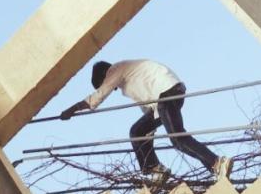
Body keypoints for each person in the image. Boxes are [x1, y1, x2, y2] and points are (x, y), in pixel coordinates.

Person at [60, 59, 232, 182]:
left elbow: (97, 97)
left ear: (104, 75)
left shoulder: (115, 69)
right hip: (164, 96)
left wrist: (72, 109)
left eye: (105, 84)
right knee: (137, 132)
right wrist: (148, 133)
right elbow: (147, 109)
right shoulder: (129, 78)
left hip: (166, 92)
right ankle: (156, 170)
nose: (111, 89)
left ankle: (217, 163)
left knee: (178, 139)